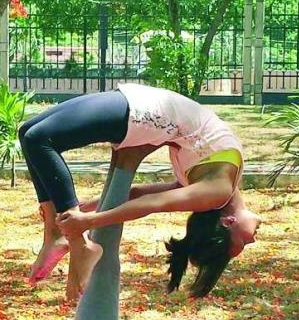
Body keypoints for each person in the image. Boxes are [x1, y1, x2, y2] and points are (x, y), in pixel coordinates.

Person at [19, 83, 262, 301]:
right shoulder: (218, 187)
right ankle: (58, 233)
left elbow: (149, 201)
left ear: (229, 222)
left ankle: (73, 241)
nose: (253, 239)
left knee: (39, 138)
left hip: (144, 113)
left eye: (244, 242)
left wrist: (86, 218)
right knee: (28, 133)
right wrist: (82, 211)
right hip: (147, 106)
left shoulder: (216, 190)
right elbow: (140, 195)